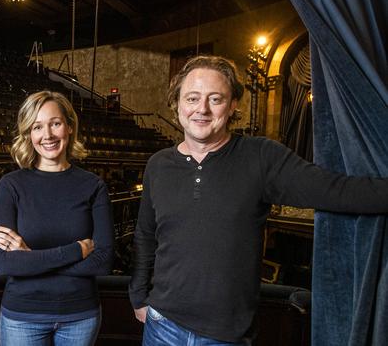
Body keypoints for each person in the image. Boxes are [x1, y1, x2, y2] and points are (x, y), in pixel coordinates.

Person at [128, 55, 388, 345]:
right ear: (177, 103)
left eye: (215, 99)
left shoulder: (261, 156)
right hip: (162, 324)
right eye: (192, 98)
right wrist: (138, 296)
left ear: (233, 105)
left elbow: (334, 190)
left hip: (226, 335)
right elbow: (146, 235)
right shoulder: (158, 164)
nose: (201, 109)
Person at [0, 90, 114, 346]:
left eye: (55, 124)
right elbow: (5, 264)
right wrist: (77, 250)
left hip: (79, 315)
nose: (47, 135)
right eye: (37, 127)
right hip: (22, 317)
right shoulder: (11, 185)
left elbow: (103, 261)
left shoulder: (93, 186)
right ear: (29, 134)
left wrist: (30, 256)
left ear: (69, 127)